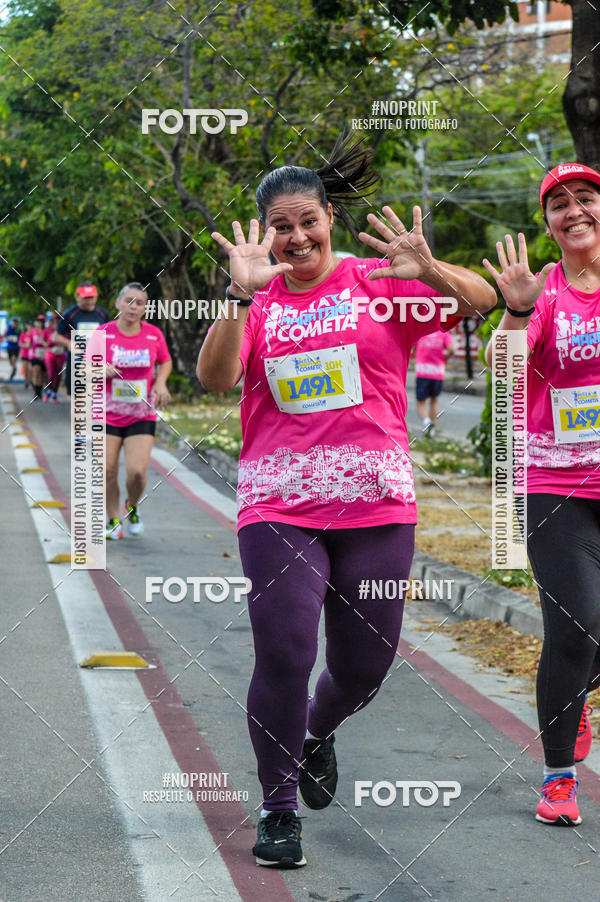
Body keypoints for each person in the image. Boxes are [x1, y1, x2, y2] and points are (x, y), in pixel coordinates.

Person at [198, 136, 496, 868]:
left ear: (330, 217)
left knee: (366, 667)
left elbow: (486, 302)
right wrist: (238, 296)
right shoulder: (257, 297)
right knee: (286, 649)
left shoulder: (377, 282)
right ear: (266, 232)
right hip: (279, 504)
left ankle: (314, 732)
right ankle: (278, 809)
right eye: (281, 226)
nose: (297, 237)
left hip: (376, 506)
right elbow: (215, 379)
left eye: (309, 221)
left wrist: (430, 269)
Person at [483, 162, 600, 827]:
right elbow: (503, 370)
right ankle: (559, 779)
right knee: (577, 625)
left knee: (586, 641)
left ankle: (574, 688)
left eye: (586, 197)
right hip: (557, 484)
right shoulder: (545, 291)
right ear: (549, 224)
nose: (574, 210)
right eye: (559, 204)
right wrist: (518, 309)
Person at [87, 282, 171, 539]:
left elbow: (165, 361)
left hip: (141, 414)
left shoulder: (154, 334)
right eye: (129, 301)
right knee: (107, 470)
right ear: (118, 304)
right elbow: (85, 368)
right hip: (105, 413)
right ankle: (113, 520)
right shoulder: (103, 333)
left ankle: (132, 506)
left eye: (140, 303)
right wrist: (100, 369)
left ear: (145, 309)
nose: (133, 307)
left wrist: (160, 382)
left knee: (136, 473)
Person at [55, 282, 109, 395]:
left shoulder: (103, 314)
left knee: (95, 397)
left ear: (96, 297)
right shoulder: (70, 314)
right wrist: (69, 343)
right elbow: (57, 337)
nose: (89, 301)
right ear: (77, 297)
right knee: (78, 399)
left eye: (91, 297)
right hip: (77, 363)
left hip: (96, 362)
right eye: (85, 298)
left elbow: (109, 335)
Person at [414, 329, 454, 436]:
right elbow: (451, 349)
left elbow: (412, 347)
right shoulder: (444, 333)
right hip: (437, 372)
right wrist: (444, 358)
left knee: (420, 401)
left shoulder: (421, 331)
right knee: (434, 401)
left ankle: (427, 422)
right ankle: (432, 430)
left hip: (423, 371)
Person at [42, 313, 66, 401]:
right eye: (56, 319)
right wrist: (46, 344)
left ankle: (54, 392)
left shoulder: (64, 329)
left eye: (59, 319)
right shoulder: (48, 330)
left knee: (58, 374)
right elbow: (43, 340)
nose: (57, 321)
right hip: (50, 354)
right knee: (51, 373)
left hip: (60, 354)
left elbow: (68, 340)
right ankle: (48, 391)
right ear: (53, 320)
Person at [29, 314, 48, 400]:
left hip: (44, 355)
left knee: (42, 375)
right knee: (36, 372)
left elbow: (49, 342)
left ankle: (39, 391)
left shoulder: (47, 331)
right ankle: (36, 392)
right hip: (35, 355)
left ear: (44, 322)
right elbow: (30, 342)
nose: (40, 322)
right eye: (39, 321)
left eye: (42, 321)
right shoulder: (33, 331)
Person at [18, 322, 33, 389]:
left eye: (30, 325)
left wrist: (31, 345)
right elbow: (20, 343)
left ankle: (30, 380)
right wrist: (26, 346)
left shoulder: (33, 334)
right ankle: (26, 381)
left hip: (32, 354)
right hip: (25, 354)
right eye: (28, 325)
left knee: (30, 369)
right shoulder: (23, 334)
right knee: (26, 369)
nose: (29, 327)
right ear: (26, 326)